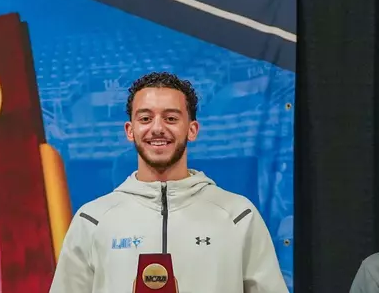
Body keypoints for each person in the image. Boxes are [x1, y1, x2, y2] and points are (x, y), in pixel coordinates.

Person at [49, 71, 288, 293]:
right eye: (145, 118)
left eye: (171, 118)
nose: (157, 128)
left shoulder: (238, 215)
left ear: (192, 130)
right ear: (130, 130)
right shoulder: (92, 219)